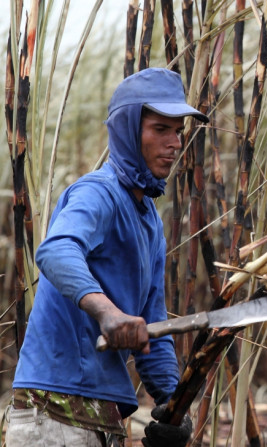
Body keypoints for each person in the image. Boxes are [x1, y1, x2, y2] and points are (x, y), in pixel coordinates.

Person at [6, 68, 207, 447]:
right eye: (160, 129)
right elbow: (57, 250)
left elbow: (154, 327)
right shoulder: (97, 194)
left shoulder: (150, 224)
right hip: (53, 413)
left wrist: (172, 405)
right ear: (129, 130)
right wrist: (107, 312)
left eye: (178, 131)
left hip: (103, 418)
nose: (175, 143)